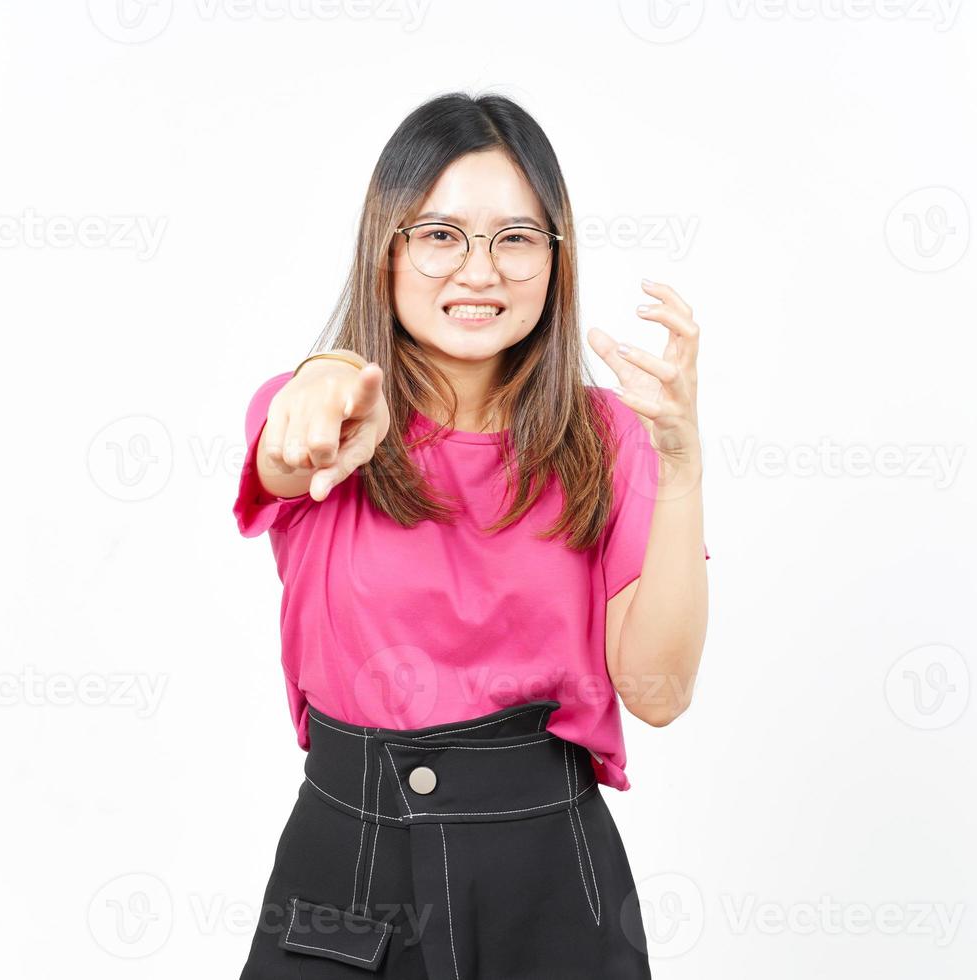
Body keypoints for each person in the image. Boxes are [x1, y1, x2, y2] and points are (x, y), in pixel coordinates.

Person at [233, 91, 710, 979]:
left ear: (555, 260)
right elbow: (289, 451)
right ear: (389, 250)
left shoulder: (611, 438)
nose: (479, 271)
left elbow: (660, 691)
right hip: (348, 870)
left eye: (516, 238)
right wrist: (327, 374)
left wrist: (680, 468)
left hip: (551, 880)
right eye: (441, 234)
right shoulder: (319, 414)